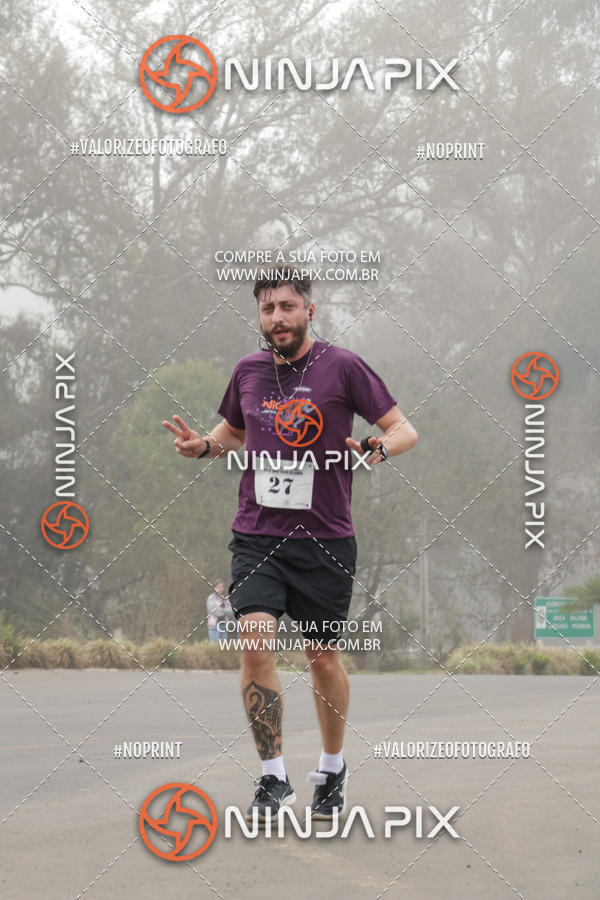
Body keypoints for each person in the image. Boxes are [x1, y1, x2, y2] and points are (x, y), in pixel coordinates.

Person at [162, 263, 417, 822]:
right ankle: (273, 777)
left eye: (287, 307)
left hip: (326, 538)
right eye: (267, 309)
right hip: (257, 534)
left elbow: (404, 429)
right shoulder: (248, 371)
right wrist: (202, 447)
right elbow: (231, 433)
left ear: (309, 311)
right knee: (254, 642)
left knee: (322, 659)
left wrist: (378, 448)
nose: (277, 317)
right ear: (260, 316)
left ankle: (331, 765)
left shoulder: (343, 367)